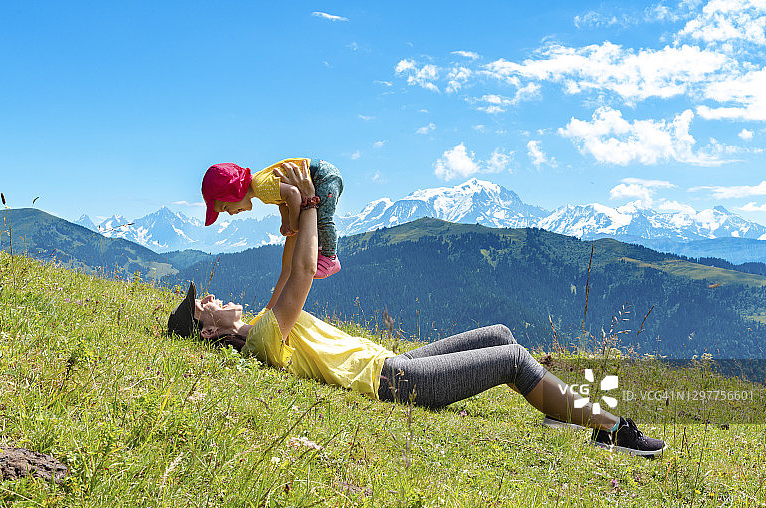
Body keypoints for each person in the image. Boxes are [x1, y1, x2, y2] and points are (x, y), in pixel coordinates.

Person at [172, 161, 665, 457]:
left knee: (500, 333)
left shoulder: (263, 322)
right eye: (204, 308)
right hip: (395, 384)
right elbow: (302, 277)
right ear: (211, 334)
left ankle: (562, 410)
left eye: (204, 296)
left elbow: (288, 268)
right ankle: (610, 429)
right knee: (513, 361)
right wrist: (311, 203)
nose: (211, 298)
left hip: (395, 362)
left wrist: (294, 213)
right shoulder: (260, 340)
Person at [201, 157, 343, 279]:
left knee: (324, 219)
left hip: (323, 177)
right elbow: (282, 201)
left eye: (225, 208)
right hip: (321, 174)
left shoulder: (261, 188)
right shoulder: (260, 187)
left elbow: (293, 193)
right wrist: (285, 220)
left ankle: (330, 258)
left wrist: (295, 225)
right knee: (318, 219)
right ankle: (322, 252)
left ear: (232, 191)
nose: (231, 214)